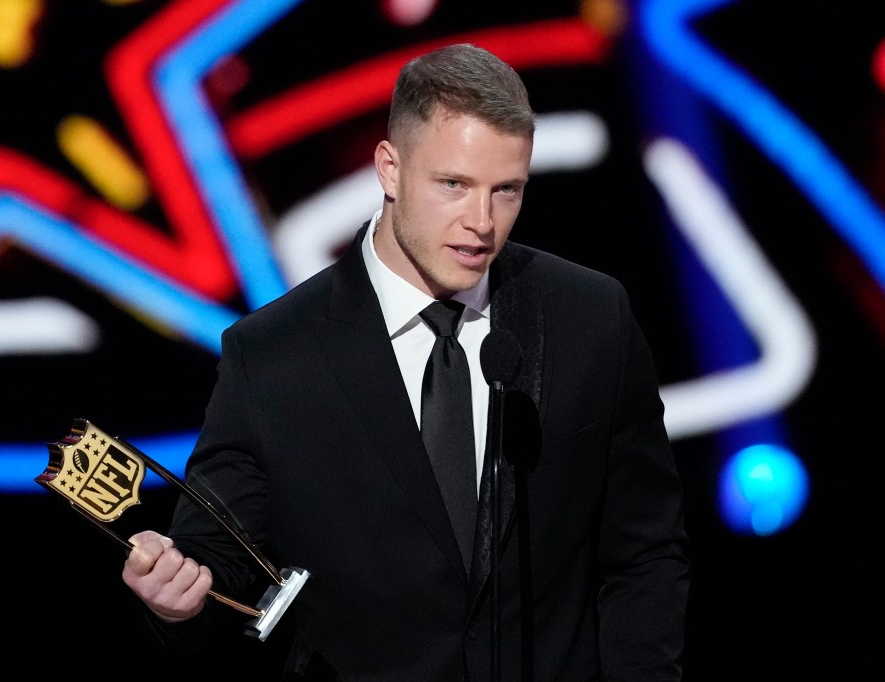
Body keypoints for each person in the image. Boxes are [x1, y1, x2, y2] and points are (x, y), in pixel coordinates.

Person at [122, 43, 690, 681]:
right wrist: (176, 603)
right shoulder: (273, 357)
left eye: (507, 191)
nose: (482, 223)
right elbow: (217, 565)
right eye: (453, 184)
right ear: (389, 169)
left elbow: (645, 552)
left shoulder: (590, 317)